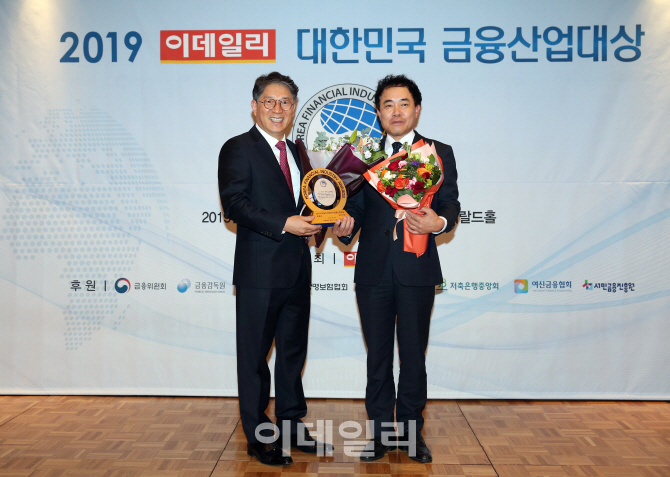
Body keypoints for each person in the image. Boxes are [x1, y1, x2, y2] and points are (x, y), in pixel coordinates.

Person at [333, 74, 460, 463]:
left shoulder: (438, 152)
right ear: (378, 112)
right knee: (378, 358)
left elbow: (451, 202)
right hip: (372, 270)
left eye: (404, 103)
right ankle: (379, 434)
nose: (396, 111)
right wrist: (344, 224)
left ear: (417, 109)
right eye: (388, 104)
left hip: (417, 267)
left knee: (413, 356)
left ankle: (411, 433)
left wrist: (437, 223)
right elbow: (354, 208)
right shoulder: (363, 155)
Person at [218, 72, 333, 466]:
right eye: (269, 101)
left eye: (285, 102)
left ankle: (292, 425)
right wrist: (285, 224)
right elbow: (235, 204)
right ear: (254, 106)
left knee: (291, 355)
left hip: (298, 268)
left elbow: (307, 204)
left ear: (294, 108)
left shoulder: (300, 152)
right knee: (253, 359)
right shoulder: (237, 148)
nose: (277, 109)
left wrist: (325, 222)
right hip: (259, 273)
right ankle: (258, 435)